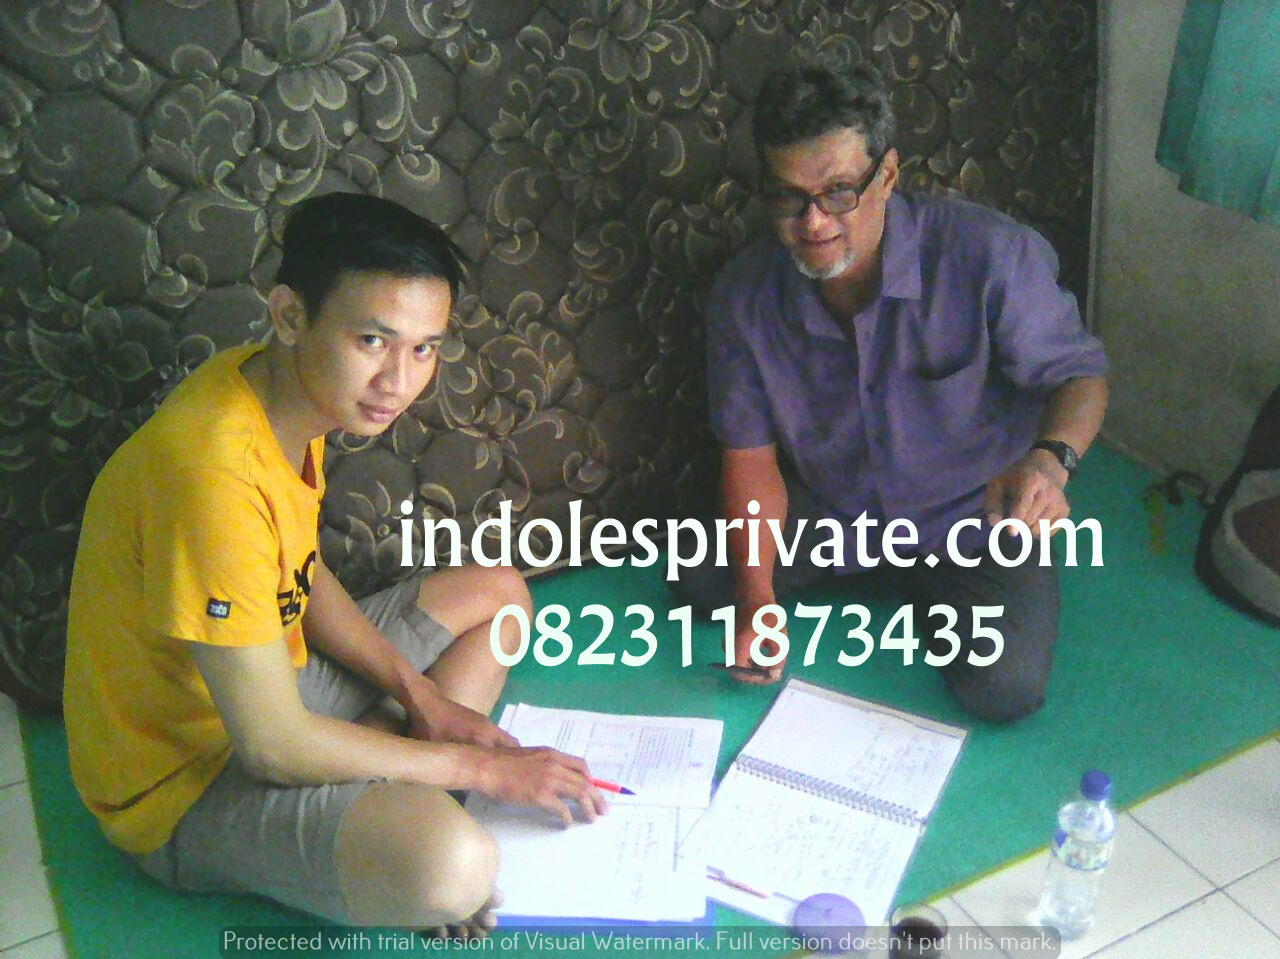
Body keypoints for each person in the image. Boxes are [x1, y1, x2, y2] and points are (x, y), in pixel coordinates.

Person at [63, 192, 606, 933]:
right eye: (372, 340)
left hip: (269, 678)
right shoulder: (212, 473)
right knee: (453, 868)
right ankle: (392, 805)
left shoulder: (273, 386)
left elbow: (297, 567)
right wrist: (481, 769)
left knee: (500, 594)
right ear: (290, 315)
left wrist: (420, 695)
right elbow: (271, 744)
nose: (398, 380)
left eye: (424, 348)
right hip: (188, 781)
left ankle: (382, 774)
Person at [673, 55, 1108, 721]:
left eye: (838, 192)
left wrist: (1051, 461)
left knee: (1005, 688)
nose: (813, 223)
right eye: (788, 196)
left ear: (889, 175)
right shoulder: (744, 295)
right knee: (700, 579)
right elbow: (751, 457)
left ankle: (920, 579)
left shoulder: (989, 255)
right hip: (836, 507)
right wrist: (757, 599)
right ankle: (889, 575)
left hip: (972, 515)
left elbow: (1080, 375)